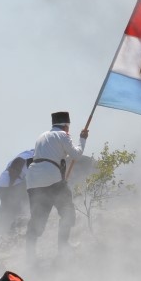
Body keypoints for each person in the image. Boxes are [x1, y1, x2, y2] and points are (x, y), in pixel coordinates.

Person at [26, 111, 89, 259]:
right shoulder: (63, 135)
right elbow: (76, 155)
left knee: (37, 219)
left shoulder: (42, 136)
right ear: (66, 125)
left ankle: (30, 255)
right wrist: (82, 139)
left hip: (33, 180)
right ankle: (63, 248)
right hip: (52, 178)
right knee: (68, 212)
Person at [0, 150, 34, 235]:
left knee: (5, 206)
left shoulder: (25, 154)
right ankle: (13, 228)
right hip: (13, 184)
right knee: (20, 205)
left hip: (1, 183)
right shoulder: (33, 158)